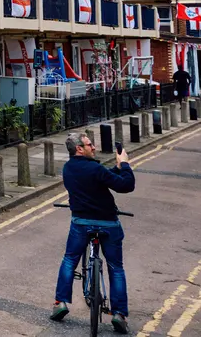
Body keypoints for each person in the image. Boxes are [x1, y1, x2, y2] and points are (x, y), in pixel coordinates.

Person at [51, 132, 136, 333]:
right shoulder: (95, 169)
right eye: (90, 144)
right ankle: (119, 314)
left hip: (81, 223)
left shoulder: (68, 168)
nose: (94, 147)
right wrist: (124, 165)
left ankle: (60, 303)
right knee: (115, 267)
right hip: (108, 224)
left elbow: (95, 175)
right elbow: (126, 185)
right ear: (79, 148)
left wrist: (113, 169)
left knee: (70, 260)